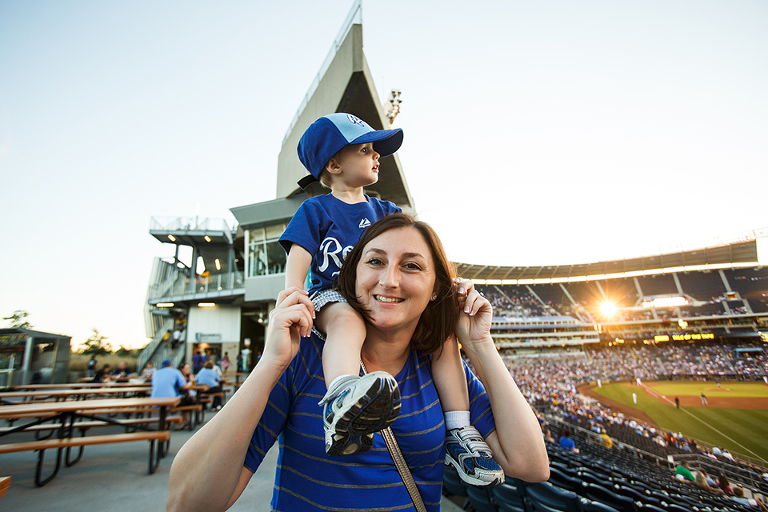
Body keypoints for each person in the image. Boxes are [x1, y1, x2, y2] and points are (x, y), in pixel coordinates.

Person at [168, 213, 549, 511]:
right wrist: (270, 364)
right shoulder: (303, 358)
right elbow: (188, 503)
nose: (389, 280)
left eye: (411, 266)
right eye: (375, 261)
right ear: (353, 276)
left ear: (437, 289)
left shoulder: (441, 370)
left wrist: (480, 343)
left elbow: (530, 464)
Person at [277, 114, 498, 485]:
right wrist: (293, 293)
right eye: (365, 150)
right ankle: (341, 401)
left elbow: (417, 253)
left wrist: (447, 283)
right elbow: (298, 255)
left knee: (442, 331)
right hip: (335, 296)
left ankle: (459, 433)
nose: (376, 156)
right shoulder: (316, 209)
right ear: (333, 164)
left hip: (381, 298)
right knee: (346, 322)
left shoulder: (387, 211)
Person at [151, 360, 194, 429]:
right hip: (170, 401)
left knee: (166, 402)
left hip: (154, 401)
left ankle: (165, 423)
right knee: (188, 401)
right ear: (171, 365)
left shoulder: (156, 373)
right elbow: (183, 386)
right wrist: (190, 384)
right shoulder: (175, 372)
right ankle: (184, 422)